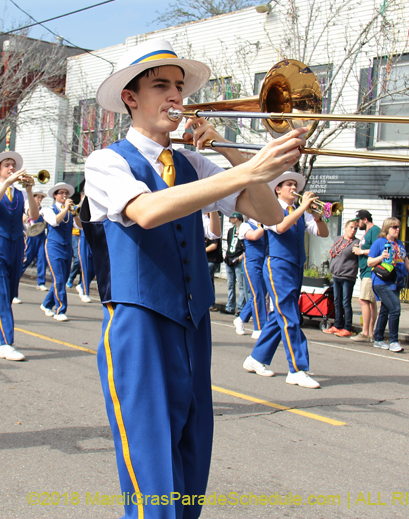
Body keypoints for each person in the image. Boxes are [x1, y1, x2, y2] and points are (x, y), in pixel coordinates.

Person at [83, 38, 305, 519]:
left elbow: (267, 212)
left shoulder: (194, 164)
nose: (175, 97)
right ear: (130, 98)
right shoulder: (107, 160)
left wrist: (229, 149)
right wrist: (245, 169)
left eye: (179, 87)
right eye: (161, 86)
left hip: (192, 322)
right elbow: (146, 212)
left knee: (191, 455)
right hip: (138, 323)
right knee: (151, 470)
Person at [242, 172, 328, 388]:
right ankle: (297, 369)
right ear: (278, 189)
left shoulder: (300, 213)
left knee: (279, 315)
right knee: (290, 316)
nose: (293, 188)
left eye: (294, 185)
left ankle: (256, 358)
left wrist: (318, 216)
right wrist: (302, 208)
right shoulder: (270, 209)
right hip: (277, 266)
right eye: (289, 184)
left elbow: (322, 233)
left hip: (296, 266)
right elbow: (280, 227)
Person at [0, 152, 39, 361]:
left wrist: (30, 191)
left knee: (9, 295)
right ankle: (6, 344)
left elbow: (33, 216)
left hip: (15, 247)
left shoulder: (20, 194)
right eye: (7, 165)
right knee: (2, 295)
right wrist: (7, 184)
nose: (11, 168)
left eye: (13, 165)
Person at [367, 217, 409, 352]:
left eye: (398, 227)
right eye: (394, 227)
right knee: (395, 308)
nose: (397, 229)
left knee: (385, 310)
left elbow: (407, 263)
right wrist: (381, 257)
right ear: (387, 229)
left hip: (395, 281)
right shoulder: (380, 243)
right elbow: (369, 262)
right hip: (381, 281)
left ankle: (378, 339)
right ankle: (394, 341)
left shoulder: (400, 244)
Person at [39, 182, 78, 321]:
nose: (64, 195)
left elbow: (79, 226)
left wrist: (75, 213)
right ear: (55, 195)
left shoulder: (69, 212)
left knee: (61, 279)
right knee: (60, 278)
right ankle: (60, 310)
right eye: (61, 193)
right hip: (54, 246)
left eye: (66, 193)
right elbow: (55, 221)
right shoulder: (47, 209)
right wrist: (66, 208)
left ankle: (46, 304)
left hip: (67, 247)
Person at [325, 219, 360, 337]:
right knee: (337, 301)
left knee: (346, 301)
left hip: (347, 276)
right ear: (345, 227)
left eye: (355, 228)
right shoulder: (338, 239)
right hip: (336, 274)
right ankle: (337, 325)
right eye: (351, 227)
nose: (353, 230)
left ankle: (347, 327)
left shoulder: (355, 242)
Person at [235, 216, 268, 337]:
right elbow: (253, 236)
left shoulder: (262, 225)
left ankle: (241, 318)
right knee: (258, 294)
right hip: (251, 263)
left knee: (259, 294)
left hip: (263, 261)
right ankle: (259, 328)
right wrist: (266, 224)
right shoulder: (245, 225)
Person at [351, 210, 380, 342]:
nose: (357, 224)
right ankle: (371, 333)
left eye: (358, 221)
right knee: (370, 302)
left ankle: (366, 332)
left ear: (365, 219)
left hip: (370, 270)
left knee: (364, 301)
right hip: (364, 270)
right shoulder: (367, 233)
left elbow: (378, 249)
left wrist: (360, 251)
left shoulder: (375, 231)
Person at [21, 190, 48, 291]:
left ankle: (41, 282)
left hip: (41, 236)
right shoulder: (28, 209)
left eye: (41, 198)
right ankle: (16, 276)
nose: (39, 200)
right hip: (31, 236)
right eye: (37, 197)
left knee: (42, 258)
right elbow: (24, 219)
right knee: (27, 258)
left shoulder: (43, 210)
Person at [223, 212, 246, 315]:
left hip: (238, 260)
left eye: (231, 217)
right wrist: (227, 256)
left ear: (236, 218)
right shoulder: (230, 230)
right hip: (229, 258)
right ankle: (230, 306)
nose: (230, 219)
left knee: (241, 285)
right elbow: (228, 243)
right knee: (230, 284)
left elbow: (246, 247)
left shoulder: (244, 229)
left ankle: (240, 308)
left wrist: (239, 258)